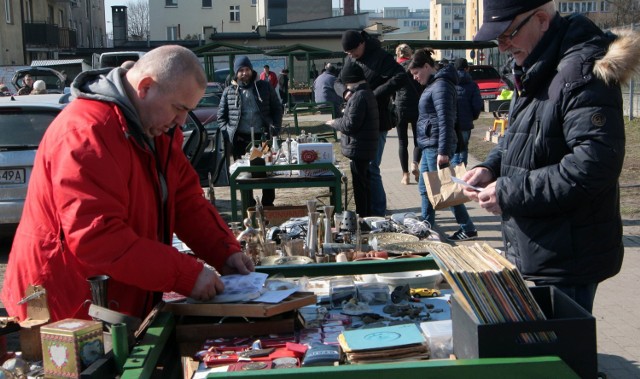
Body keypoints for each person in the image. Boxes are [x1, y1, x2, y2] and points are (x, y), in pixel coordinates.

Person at [0, 45, 255, 323]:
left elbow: (186, 202)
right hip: (66, 309)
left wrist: (225, 252)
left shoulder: (153, 131)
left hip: (111, 301)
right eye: (179, 108)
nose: (181, 121)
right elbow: (96, 238)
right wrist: (186, 274)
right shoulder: (87, 134)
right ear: (145, 87)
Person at [465, 0, 638, 313]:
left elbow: (592, 166)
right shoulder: (538, 64)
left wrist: (507, 191)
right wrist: (491, 168)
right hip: (543, 245)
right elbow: (521, 134)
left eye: (508, 35)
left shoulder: (580, 72)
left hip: (568, 254)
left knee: (564, 355)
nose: (503, 46)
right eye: (498, 38)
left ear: (541, 20)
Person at [408, 48, 478, 241]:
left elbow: (446, 120)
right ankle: (427, 226)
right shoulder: (435, 85)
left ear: (427, 66)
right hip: (430, 145)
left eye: (416, 73)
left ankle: (466, 227)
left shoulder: (440, 86)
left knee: (445, 189)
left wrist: (443, 151)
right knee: (426, 188)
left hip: (436, 146)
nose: (415, 78)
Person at [338, 29, 408, 216]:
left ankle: (378, 212)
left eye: (353, 51)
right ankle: (366, 210)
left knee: (371, 167)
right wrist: (344, 92)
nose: (351, 55)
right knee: (360, 169)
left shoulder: (380, 56)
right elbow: (338, 81)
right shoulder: (351, 58)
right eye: (348, 53)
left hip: (378, 119)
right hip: (357, 120)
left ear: (362, 43)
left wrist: (370, 95)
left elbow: (401, 77)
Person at [218, 55, 283, 207]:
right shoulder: (228, 92)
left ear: (252, 70)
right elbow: (221, 117)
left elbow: (277, 108)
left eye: (247, 69)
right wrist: (228, 132)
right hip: (240, 140)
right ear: (236, 73)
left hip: (263, 138)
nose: (244, 73)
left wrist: (275, 128)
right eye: (241, 70)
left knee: (266, 172)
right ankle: (249, 205)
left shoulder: (265, 87)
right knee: (244, 176)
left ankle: (268, 205)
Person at [326, 62, 379, 217]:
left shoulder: (358, 96)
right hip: (366, 146)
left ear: (351, 80)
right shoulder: (367, 93)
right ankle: (367, 214)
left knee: (360, 186)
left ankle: (363, 217)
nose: (346, 86)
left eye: (347, 82)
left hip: (359, 147)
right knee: (364, 184)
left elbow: (350, 125)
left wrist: (334, 123)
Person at [394, 43, 424, 185]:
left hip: (400, 106)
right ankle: (415, 163)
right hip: (417, 106)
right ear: (410, 54)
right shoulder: (415, 66)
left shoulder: (395, 68)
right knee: (418, 140)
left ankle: (405, 175)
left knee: (402, 142)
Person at [451, 58, 482, 167]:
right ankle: (463, 173)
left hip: (451, 122)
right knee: (463, 147)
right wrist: (473, 117)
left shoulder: (449, 83)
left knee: (453, 148)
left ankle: (454, 174)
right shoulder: (472, 85)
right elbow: (477, 105)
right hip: (465, 122)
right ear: (467, 69)